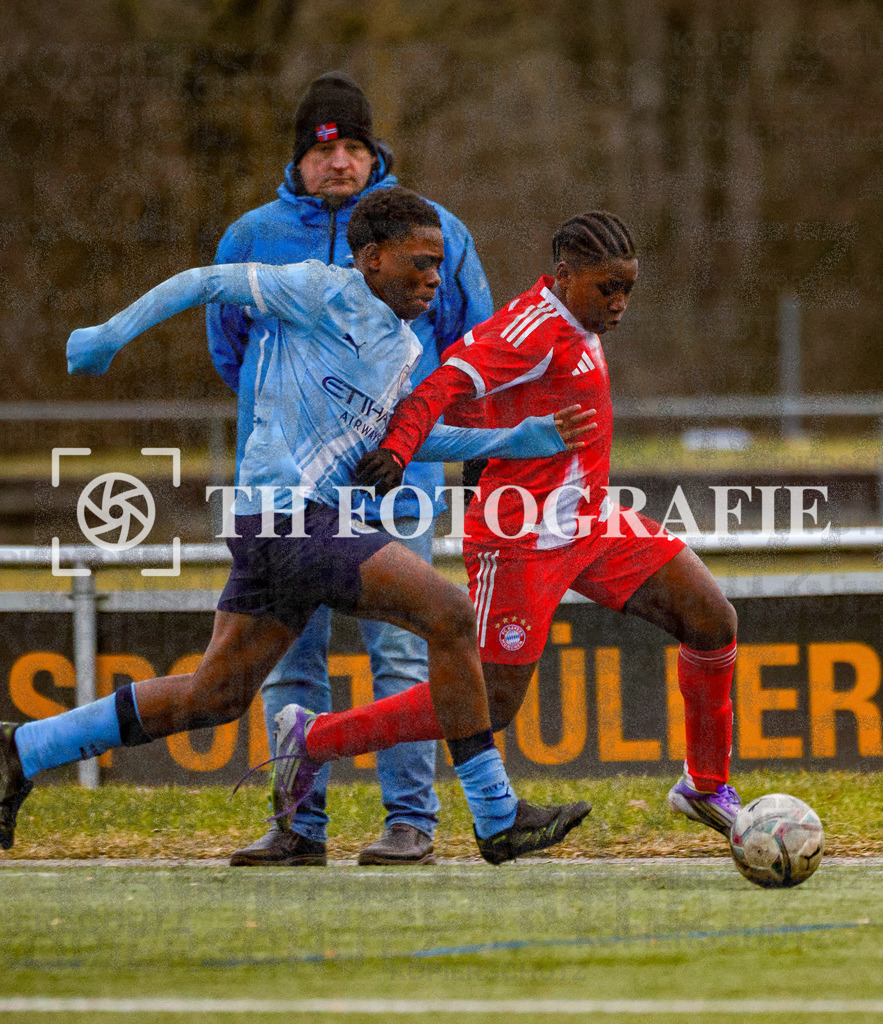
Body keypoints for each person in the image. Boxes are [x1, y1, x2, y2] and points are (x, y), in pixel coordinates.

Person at [0, 187, 591, 864]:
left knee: (214, 695)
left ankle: (23, 749)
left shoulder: (400, 346)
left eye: (439, 263)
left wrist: (518, 438)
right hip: (288, 521)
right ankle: (495, 814)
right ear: (370, 258)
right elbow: (203, 282)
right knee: (451, 615)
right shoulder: (317, 290)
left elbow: (403, 438)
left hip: (283, 530)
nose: (434, 276)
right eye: (420, 262)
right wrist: (111, 334)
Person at [271, 210, 742, 842]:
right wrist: (402, 449)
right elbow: (436, 387)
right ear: (566, 274)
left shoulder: (582, 318)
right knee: (487, 703)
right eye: (609, 288)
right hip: (519, 539)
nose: (621, 303)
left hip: (592, 522)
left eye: (629, 288)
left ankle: (706, 787)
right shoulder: (528, 330)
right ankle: (313, 736)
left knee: (713, 621)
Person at [208, 71, 495, 867]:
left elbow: (473, 350)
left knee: (402, 649)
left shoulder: (437, 231)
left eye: (355, 146)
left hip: (393, 486)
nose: (338, 162)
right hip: (286, 496)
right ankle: (299, 827)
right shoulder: (251, 237)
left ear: (376, 153)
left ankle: (411, 820)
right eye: (323, 148)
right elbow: (228, 349)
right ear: (299, 157)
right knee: (286, 661)